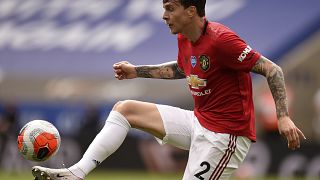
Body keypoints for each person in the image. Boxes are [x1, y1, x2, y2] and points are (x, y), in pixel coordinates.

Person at [32, 0, 306, 179]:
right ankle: (77, 173)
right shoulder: (185, 38)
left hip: (226, 137)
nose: (164, 15)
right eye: (164, 8)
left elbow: (273, 69)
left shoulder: (222, 41)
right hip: (199, 122)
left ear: (191, 11)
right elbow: (183, 68)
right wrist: (135, 71)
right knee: (125, 109)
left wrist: (283, 116)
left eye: (170, 8)